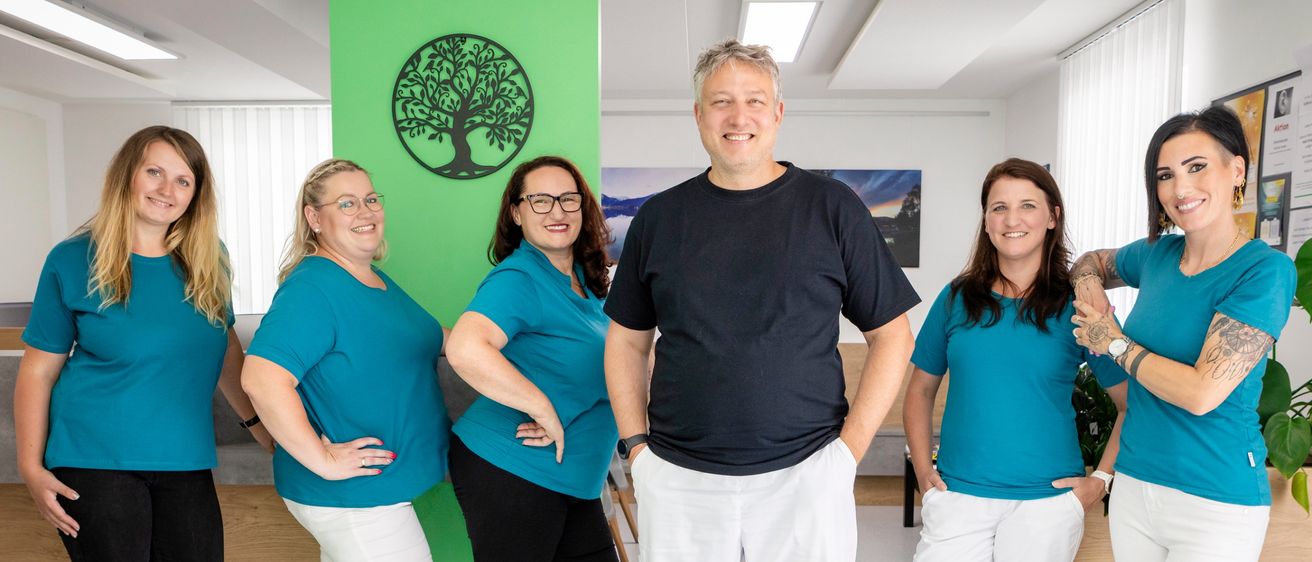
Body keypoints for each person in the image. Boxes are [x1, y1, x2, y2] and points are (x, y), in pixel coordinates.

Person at [604, 39, 920, 561]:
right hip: (680, 478)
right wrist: (638, 451)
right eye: (721, 100)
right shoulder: (659, 218)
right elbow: (627, 342)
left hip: (807, 475)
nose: (738, 115)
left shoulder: (833, 208)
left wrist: (847, 455)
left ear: (777, 112)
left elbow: (892, 336)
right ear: (699, 114)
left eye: (754, 100)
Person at [14, 125, 273, 560]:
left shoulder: (211, 259)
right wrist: (29, 467)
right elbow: (38, 371)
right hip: (92, 461)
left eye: (183, 180)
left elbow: (225, 350)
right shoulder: (74, 258)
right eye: (154, 171)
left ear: (195, 194)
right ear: (127, 176)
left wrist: (260, 428)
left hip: (185, 460)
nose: (166, 189)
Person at [1070, 106, 1297, 561]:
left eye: (1197, 168)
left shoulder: (1263, 271)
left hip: (1215, 498)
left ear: (1237, 170)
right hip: (1136, 484)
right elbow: (1091, 259)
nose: (1180, 188)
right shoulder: (1157, 254)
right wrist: (1088, 282)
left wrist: (1112, 341)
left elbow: (1201, 393)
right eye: (1165, 175)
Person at [904, 158, 1128, 561]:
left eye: (1027, 205)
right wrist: (924, 474)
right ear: (987, 222)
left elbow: (1131, 401)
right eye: (999, 207)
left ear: (1052, 217)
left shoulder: (1080, 306)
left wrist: (1101, 480)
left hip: (1048, 503)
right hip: (957, 498)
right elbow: (919, 391)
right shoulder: (957, 299)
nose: (1012, 219)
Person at [240, 159, 450, 561]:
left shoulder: (373, 278)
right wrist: (323, 460)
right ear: (314, 217)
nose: (367, 211)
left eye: (371, 199)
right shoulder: (313, 288)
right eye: (348, 204)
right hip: (353, 499)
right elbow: (261, 378)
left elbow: (433, 337)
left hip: (378, 493)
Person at [445, 155, 619, 562]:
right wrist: (540, 407)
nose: (557, 211)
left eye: (568, 199)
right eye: (540, 200)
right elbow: (466, 347)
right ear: (517, 213)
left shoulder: (584, 281)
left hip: (573, 478)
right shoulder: (520, 277)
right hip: (513, 468)